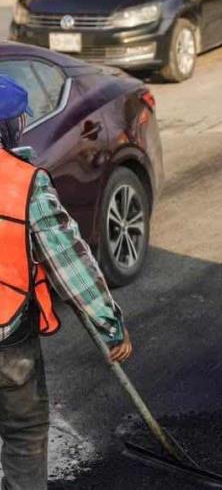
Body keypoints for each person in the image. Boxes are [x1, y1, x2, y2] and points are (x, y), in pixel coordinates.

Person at [0, 75, 132, 490]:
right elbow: (70, 262)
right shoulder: (24, 184)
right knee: (22, 436)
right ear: (10, 128)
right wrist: (109, 324)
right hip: (6, 339)